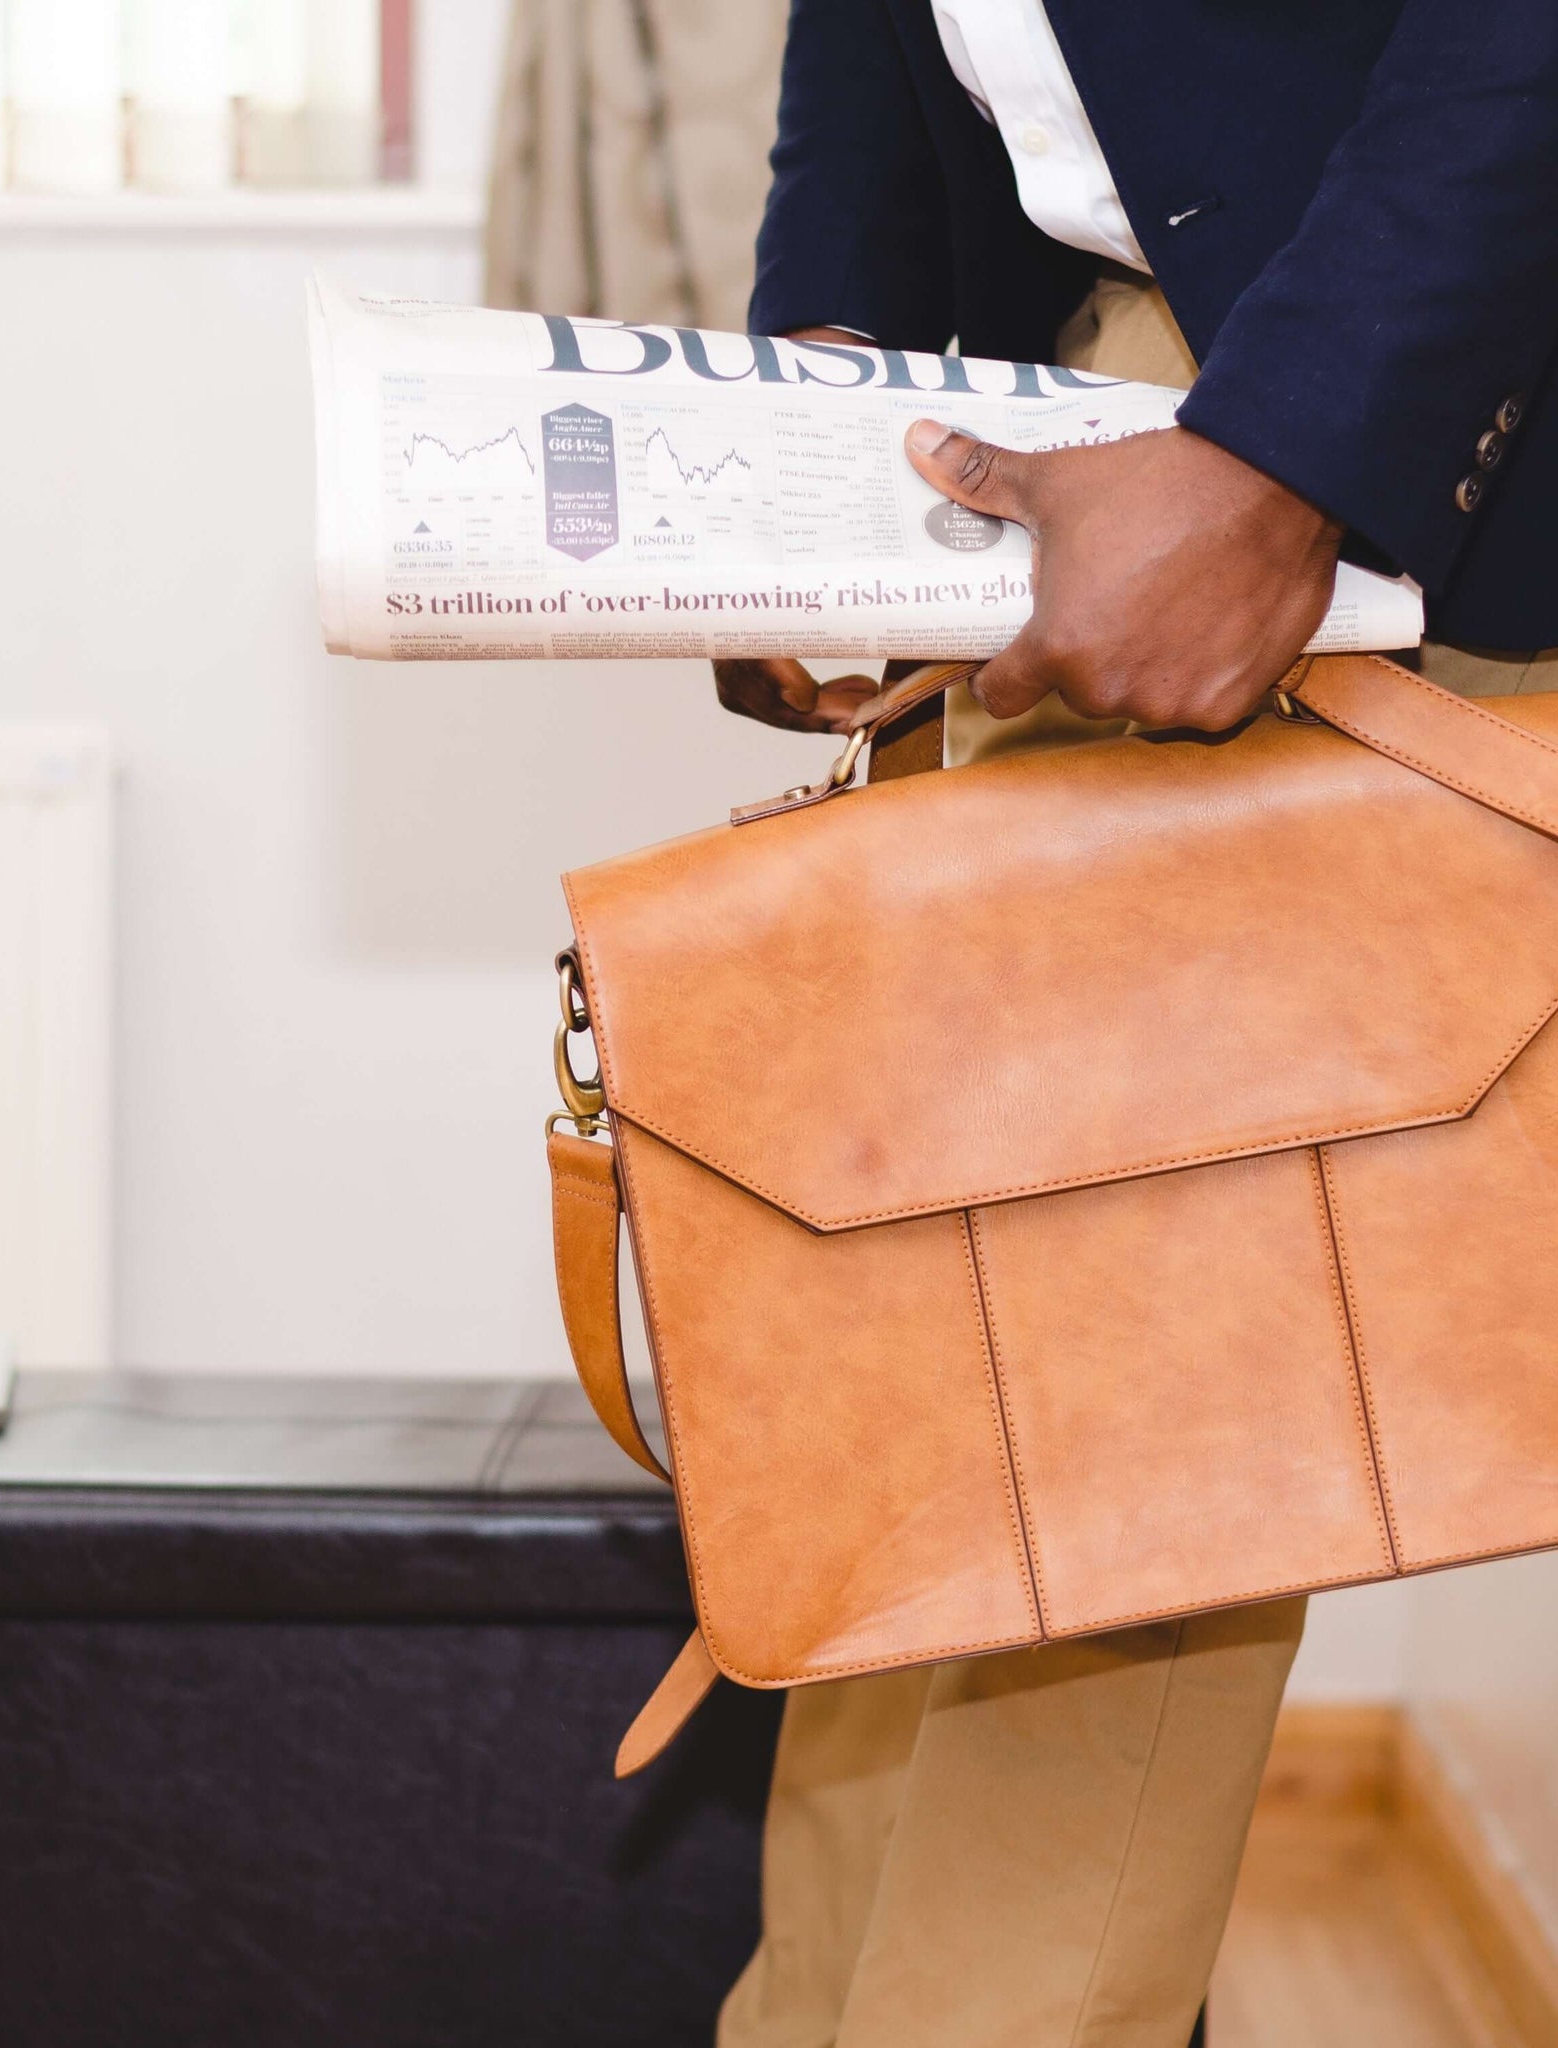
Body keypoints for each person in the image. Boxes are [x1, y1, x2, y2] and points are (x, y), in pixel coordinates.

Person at [708, 5, 1558, 2046]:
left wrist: (1285, 455)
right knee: (933, 1395)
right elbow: (870, 56)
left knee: (1119, 1422)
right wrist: (802, 421)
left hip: (1360, 419)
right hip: (1092, 449)